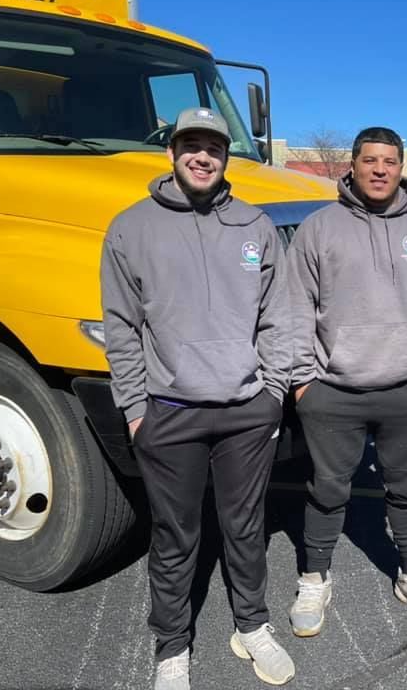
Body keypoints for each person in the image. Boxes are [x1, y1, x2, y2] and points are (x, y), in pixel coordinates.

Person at [101, 107, 295, 688]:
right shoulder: (130, 228)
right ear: (172, 152)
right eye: (191, 145)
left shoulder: (255, 226)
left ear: (225, 155)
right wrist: (136, 410)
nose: (202, 156)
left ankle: (251, 625)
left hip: (246, 413)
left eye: (213, 146)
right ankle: (171, 646)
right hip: (170, 413)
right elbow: (121, 327)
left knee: (245, 527)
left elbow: (277, 318)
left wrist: (273, 394)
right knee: (174, 535)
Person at [286, 126, 407, 635]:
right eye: (370, 160)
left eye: (389, 161)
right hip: (332, 390)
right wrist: (302, 381)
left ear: (400, 167)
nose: (379, 170)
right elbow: (294, 307)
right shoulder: (319, 228)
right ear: (353, 165)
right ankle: (314, 577)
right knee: (326, 489)